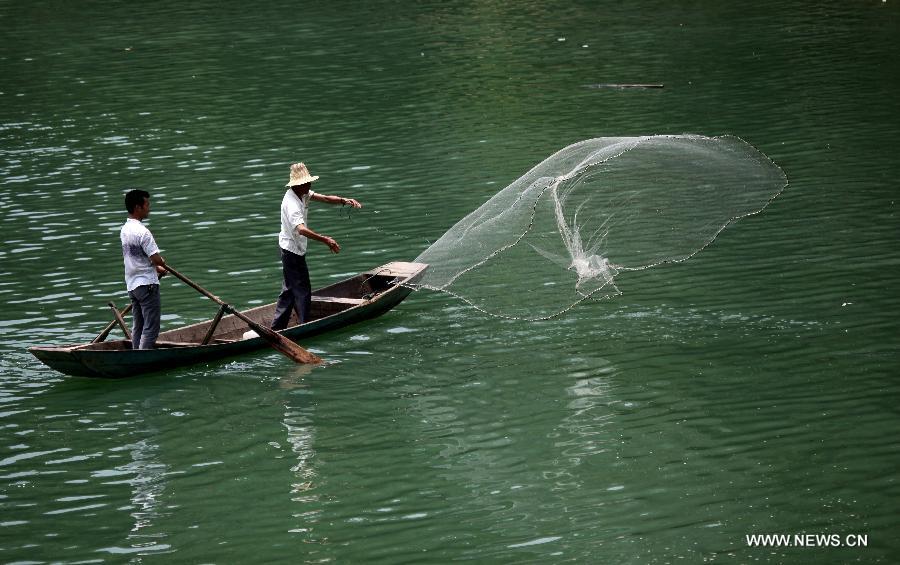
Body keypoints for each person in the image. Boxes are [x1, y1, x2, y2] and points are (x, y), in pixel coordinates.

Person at [271, 162, 362, 330]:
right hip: (291, 250)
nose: (310, 184)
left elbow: (325, 198)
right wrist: (325, 239)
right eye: (306, 182)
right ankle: (305, 326)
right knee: (303, 290)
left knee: (289, 291)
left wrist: (344, 200)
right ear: (298, 184)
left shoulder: (303, 193)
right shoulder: (291, 203)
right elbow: (301, 229)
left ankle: (277, 328)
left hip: (293, 248)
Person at [121, 189, 167, 350]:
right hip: (147, 285)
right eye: (147, 204)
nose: (149, 208)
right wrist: (161, 263)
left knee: (138, 325)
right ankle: (142, 357)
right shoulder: (143, 232)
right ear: (137, 207)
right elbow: (155, 259)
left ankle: (135, 353)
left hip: (132, 285)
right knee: (151, 327)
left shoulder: (125, 230)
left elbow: (138, 257)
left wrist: (158, 268)